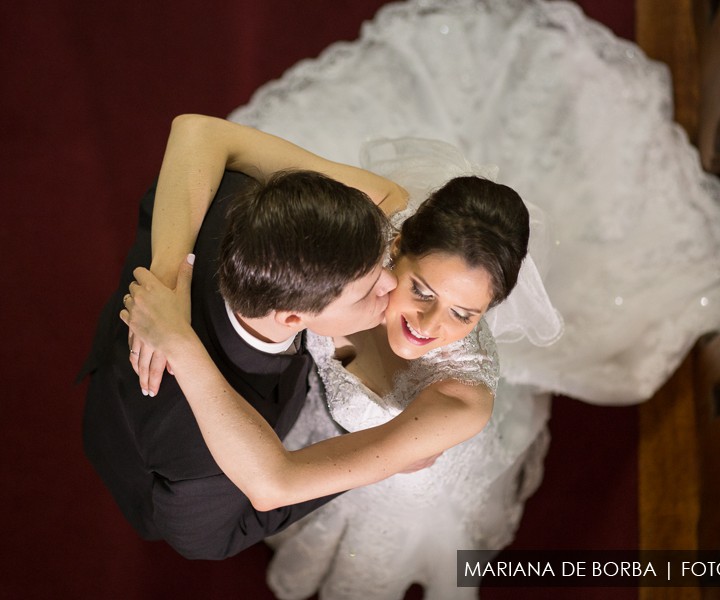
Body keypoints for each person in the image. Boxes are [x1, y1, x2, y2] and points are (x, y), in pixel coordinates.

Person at [121, 118, 562, 599]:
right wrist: (171, 278)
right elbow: (198, 134)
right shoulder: (381, 211)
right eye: (421, 289)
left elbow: (275, 485)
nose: (429, 325)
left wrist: (179, 342)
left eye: (463, 314)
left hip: (388, 482)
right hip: (303, 412)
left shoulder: (460, 402)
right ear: (397, 247)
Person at [80, 117, 403, 560]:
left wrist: (169, 277)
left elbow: (390, 195)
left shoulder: (227, 203)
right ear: (292, 318)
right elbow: (211, 542)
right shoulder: (201, 461)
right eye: (369, 289)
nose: (392, 284)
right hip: (137, 448)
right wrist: (341, 471)